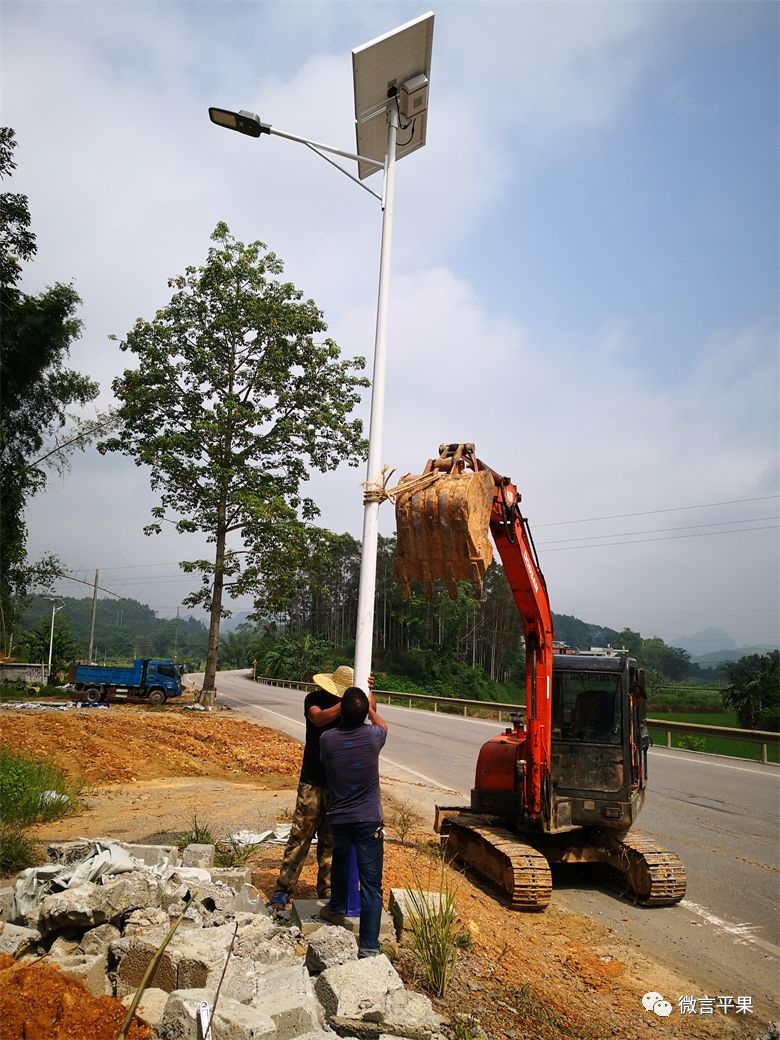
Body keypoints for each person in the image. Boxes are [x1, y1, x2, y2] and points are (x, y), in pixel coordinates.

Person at [269, 664, 354, 910]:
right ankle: (283, 888)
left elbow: (370, 711)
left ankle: (327, 890)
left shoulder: (351, 708)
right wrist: (344, 703)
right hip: (313, 781)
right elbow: (317, 719)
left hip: (338, 784)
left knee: (331, 841)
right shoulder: (314, 699)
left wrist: (365, 693)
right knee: (300, 835)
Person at [318, 684, 388, 958]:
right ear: (364, 715)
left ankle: (336, 905)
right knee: (371, 883)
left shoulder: (327, 740)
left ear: (341, 713)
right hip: (369, 819)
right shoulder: (374, 737)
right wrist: (370, 707)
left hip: (340, 818)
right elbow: (382, 724)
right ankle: (369, 946)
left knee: (340, 859)